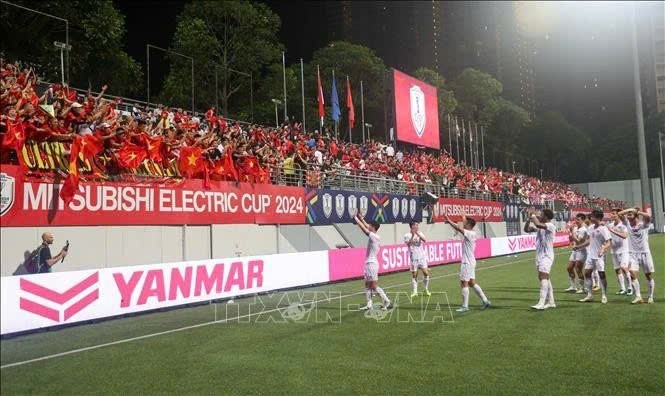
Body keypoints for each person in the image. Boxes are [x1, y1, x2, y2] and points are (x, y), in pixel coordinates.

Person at [442, 211, 491, 312]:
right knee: (472, 283)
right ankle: (486, 301)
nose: (463, 223)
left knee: (464, 283)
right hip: (471, 261)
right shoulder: (471, 232)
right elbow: (460, 227)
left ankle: (465, 306)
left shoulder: (470, 233)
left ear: (469, 225)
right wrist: (455, 219)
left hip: (467, 262)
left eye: (465, 222)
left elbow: (459, 228)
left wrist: (454, 219)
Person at [354, 213, 393, 311]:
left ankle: (387, 301)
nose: (368, 226)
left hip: (372, 263)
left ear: (373, 227)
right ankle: (369, 305)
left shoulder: (374, 236)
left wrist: (355, 218)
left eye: (370, 225)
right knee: (367, 284)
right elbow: (367, 226)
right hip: (369, 263)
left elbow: (364, 230)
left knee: (374, 285)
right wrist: (362, 218)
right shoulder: (375, 235)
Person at [618, 207, 655, 304]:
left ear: (635, 216)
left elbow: (648, 216)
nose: (628, 216)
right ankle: (638, 296)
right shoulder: (627, 224)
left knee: (648, 276)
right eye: (628, 215)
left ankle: (650, 296)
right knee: (631, 272)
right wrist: (630, 209)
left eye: (630, 214)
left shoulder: (643, 225)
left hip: (645, 253)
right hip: (633, 254)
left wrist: (637, 211)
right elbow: (620, 214)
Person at [524, 208, 557, 310]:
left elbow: (538, 224)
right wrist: (529, 219)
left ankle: (541, 303)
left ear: (546, 217)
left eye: (541, 214)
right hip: (539, 255)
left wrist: (533, 215)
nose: (540, 215)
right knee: (544, 277)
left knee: (543, 276)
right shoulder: (541, 226)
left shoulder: (550, 226)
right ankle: (551, 302)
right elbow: (527, 229)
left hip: (547, 255)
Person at [579, 210, 611, 304]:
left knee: (601, 274)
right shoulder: (591, 227)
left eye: (592, 216)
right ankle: (590, 295)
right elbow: (588, 241)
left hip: (599, 256)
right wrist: (579, 246)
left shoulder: (603, 229)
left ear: (598, 218)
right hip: (591, 255)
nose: (591, 218)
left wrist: (603, 249)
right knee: (587, 273)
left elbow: (609, 242)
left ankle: (604, 295)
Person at [606, 209, 631, 295]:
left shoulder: (623, 224)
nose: (611, 215)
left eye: (613, 214)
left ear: (618, 215)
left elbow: (625, 236)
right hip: (614, 250)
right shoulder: (610, 225)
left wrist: (613, 230)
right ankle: (622, 288)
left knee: (624, 268)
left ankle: (630, 287)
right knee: (617, 270)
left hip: (624, 250)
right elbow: (609, 238)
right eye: (611, 213)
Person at [404, 222, 431, 298]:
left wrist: (417, 234)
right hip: (413, 258)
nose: (417, 226)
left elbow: (424, 240)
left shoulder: (420, 233)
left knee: (426, 273)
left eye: (417, 225)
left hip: (422, 257)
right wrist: (413, 235)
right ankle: (415, 291)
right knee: (415, 275)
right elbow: (408, 244)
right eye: (416, 225)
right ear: (412, 226)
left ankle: (426, 289)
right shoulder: (407, 235)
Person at [566, 214, 589, 293]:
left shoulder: (584, 230)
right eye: (576, 219)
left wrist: (572, 231)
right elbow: (571, 239)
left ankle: (581, 288)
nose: (576, 221)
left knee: (578, 268)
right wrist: (570, 232)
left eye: (578, 220)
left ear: (582, 220)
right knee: (569, 268)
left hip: (582, 251)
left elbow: (579, 241)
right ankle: (572, 286)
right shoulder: (575, 228)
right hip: (575, 251)